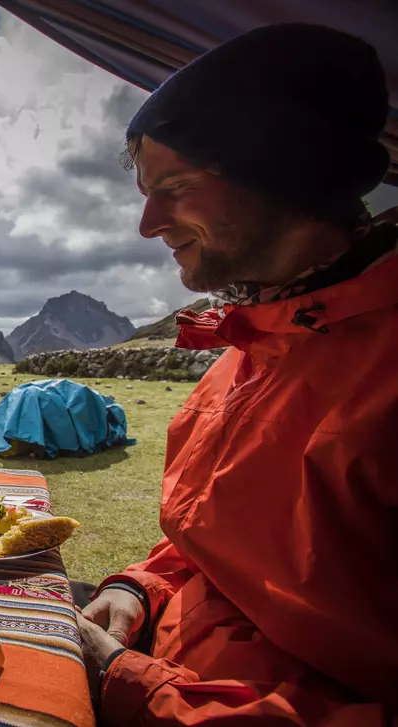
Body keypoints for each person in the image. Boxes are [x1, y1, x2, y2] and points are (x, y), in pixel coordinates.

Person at [76, 24, 398, 726]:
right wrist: (140, 587)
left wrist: (137, 686)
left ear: (285, 173)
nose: (147, 222)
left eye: (176, 187)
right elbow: (206, 546)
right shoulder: (240, 356)